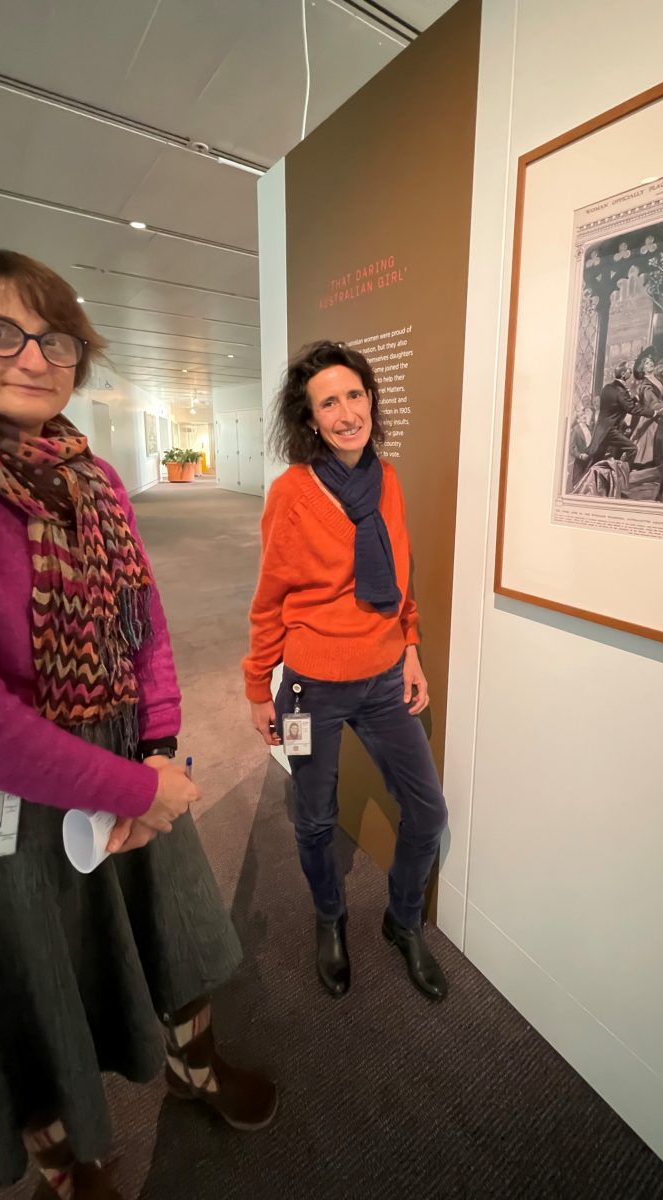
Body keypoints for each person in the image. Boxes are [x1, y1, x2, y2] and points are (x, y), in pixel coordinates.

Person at [0, 251, 277, 1200]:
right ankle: (69, 1162)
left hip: (126, 747)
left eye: (54, 336)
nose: (32, 356)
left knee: (172, 923)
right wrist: (138, 792)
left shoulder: (93, 475)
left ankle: (188, 1066)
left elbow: (141, 617)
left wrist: (155, 745)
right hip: (7, 788)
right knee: (32, 976)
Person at [242, 340, 448, 1002]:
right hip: (310, 691)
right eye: (328, 402)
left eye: (354, 395)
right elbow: (269, 596)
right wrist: (257, 688)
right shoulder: (292, 493)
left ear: (370, 401)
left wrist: (410, 646)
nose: (346, 411)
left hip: (385, 678)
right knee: (315, 819)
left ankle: (402, 919)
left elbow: (401, 572)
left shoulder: (385, 481)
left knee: (426, 810)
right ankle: (329, 921)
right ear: (310, 419)